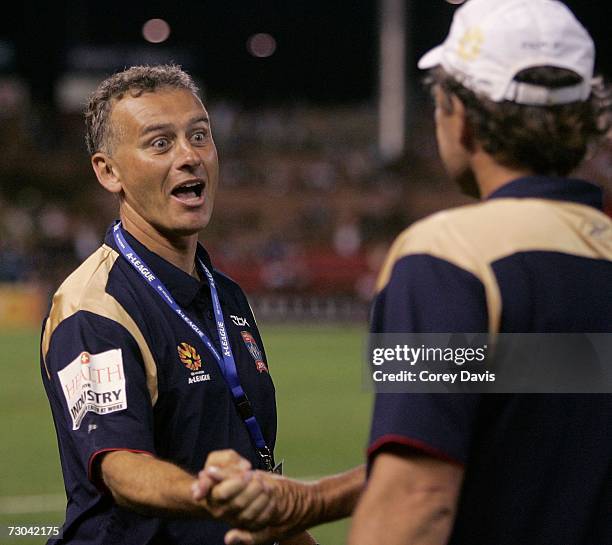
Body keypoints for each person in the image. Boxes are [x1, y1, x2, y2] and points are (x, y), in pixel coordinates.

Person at [194, 1, 612, 544]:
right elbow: (534, 413)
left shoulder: (447, 258)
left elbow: (414, 500)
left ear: (460, 115)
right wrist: (313, 499)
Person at [40, 64, 315, 545]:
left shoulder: (225, 295)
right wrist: (215, 493)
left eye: (200, 135)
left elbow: (255, 472)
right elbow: (122, 468)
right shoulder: (94, 308)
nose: (190, 156)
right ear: (109, 172)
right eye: (160, 143)